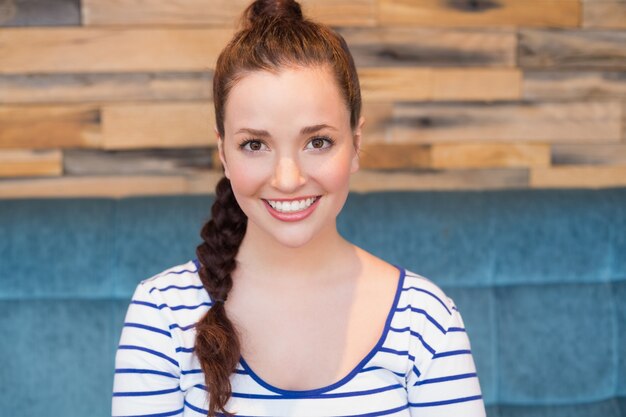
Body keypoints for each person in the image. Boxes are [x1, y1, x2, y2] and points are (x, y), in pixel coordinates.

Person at [112, 1, 486, 416]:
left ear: (356, 145)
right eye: (255, 145)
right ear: (223, 152)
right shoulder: (161, 314)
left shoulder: (427, 321)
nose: (287, 179)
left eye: (317, 141)